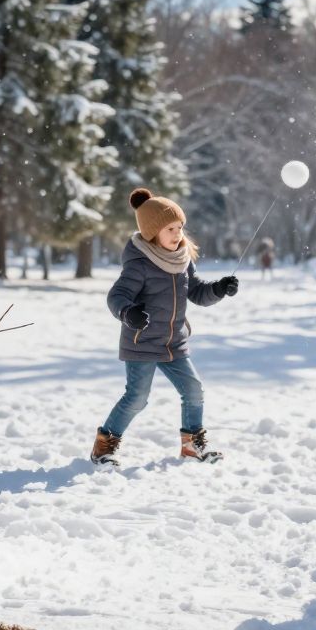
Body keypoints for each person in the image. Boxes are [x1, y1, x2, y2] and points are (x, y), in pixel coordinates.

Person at [89, 189, 238, 466]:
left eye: (180, 227)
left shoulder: (182, 260)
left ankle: (192, 445)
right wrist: (128, 312)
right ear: (152, 232)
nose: (177, 234)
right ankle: (104, 446)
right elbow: (116, 296)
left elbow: (197, 292)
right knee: (137, 399)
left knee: (193, 390)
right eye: (170, 228)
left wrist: (219, 289)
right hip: (141, 342)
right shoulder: (139, 264)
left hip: (174, 343)